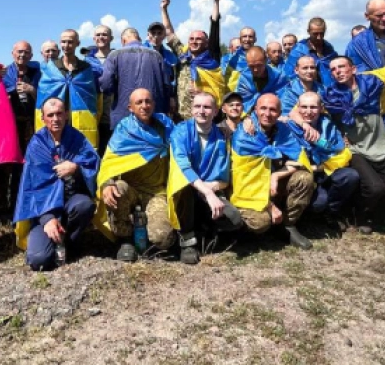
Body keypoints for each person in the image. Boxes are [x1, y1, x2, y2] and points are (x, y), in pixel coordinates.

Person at [323, 51, 385, 233]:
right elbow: (303, 108)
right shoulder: (330, 95)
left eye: (341, 66)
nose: (338, 71)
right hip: (356, 149)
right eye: (333, 69)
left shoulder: (372, 83)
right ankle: (362, 216)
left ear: (353, 69)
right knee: (374, 188)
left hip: (383, 147)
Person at [13, 98, 98, 271]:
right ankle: (52, 238)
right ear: (43, 118)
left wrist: (76, 167)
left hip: (70, 202)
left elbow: (93, 163)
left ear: (66, 115)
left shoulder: (77, 138)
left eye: (59, 113)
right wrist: (48, 219)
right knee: (39, 260)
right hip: (44, 210)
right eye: (50, 115)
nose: (55, 119)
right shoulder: (36, 144)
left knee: (85, 205)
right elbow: (33, 187)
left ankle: (69, 242)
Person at [95, 89, 175, 262]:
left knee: (162, 239)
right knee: (117, 190)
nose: (144, 106)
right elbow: (109, 161)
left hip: (156, 192)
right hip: (131, 189)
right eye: (139, 102)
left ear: (153, 104)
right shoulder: (124, 129)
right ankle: (125, 239)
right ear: (130, 107)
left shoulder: (166, 125)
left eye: (148, 101)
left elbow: (182, 149)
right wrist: (107, 184)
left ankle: (147, 230)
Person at [230, 94, 315, 249]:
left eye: (273, 110)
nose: (267, 114)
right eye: (263, 108)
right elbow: (244, 180)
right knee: (261, 223)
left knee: (304, 178)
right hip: (248, 190)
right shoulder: (245, 135)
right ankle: (238, 230)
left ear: (280, 112)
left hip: (271, 184)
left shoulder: (283, 130)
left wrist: (276, 175)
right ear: (255, 109)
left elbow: (299, 160)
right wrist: (269, 205)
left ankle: (288, 226)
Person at [168, 93, 242, 264]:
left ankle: (205, 228)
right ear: (191, 109)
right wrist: (206, 192)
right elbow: (183, 166)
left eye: (207, 107)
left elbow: (224, 177)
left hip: (210, 189)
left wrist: (210, 190)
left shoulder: (222, 136)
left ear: (216, 111)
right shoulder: (180, 131)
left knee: (235, 220)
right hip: (186, 189)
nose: (202, 111)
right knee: (184, 186)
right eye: (197, 106)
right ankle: (187, 241)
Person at [287, 92, 359, 230]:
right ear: (298, 108)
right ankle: (307, 214)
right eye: (304, 107)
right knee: (318, 204)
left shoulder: (328, 124)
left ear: (321, 108)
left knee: (350, 176)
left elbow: (339, 146)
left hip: (327, 169)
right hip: (306, 173)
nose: (308, 112)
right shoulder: (289, 126)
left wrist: (319, 141)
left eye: (313, 107)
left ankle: (331, 211)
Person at [159, 0, 226, 122]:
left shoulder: (210, 59)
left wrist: (216, 2)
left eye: (198, 39)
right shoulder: (182, 55)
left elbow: (215, 26)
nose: (194, 42)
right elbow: (169, 32)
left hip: (204, 116)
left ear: (206, 43)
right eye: (191, 39)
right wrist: (164, 10)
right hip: (181, 115)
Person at [37, 29, 99, 146]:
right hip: (56, 118)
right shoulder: (51, 68)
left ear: (77, 43)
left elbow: (91, 97)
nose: (66, 45)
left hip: (80, 119)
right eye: (63, 42)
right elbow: (44, 94)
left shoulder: (85, 68)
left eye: (70, 42)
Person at [99, 28, 169, 129]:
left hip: (123, 117)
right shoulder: (157, 55)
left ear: (123, 40)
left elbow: (105, 85)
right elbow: (166, 87)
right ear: (139, 38)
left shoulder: (114, 55)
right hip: (153, 117)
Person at [2, 41, 41, 216]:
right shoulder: (4, 73)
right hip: (10, 127)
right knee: (9, 165)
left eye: (26, 53)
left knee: (30, 164)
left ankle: (26, 203)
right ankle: (6, 206)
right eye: (19, 52)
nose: (22, 55)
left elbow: (47, 95)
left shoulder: (37, 73)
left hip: (32, 126)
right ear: (12, 53)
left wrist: (32, 90)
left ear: (31, 56)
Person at [282, 17, 339, 86]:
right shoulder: (298, 50)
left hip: (331, 91)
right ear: (308, 31)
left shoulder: (329, 50)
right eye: (315, 34)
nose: (319, 37)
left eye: (322, 33)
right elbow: (289, 76)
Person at [84, 25, 114, 155]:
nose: (101, 37)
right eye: (98, 35)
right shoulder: (87, 62)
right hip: (93, 111)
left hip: (112, 111)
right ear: (94, 38)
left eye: (104, 34)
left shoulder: (117, 57)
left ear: (111, 38)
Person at [232, 46, 290, 113]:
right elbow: (242, 102)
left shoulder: (279, 76)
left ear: (266, 60)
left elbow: (285, 101)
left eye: (259, 65)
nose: (255, 69)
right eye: (251, 66)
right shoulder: (244, 77)